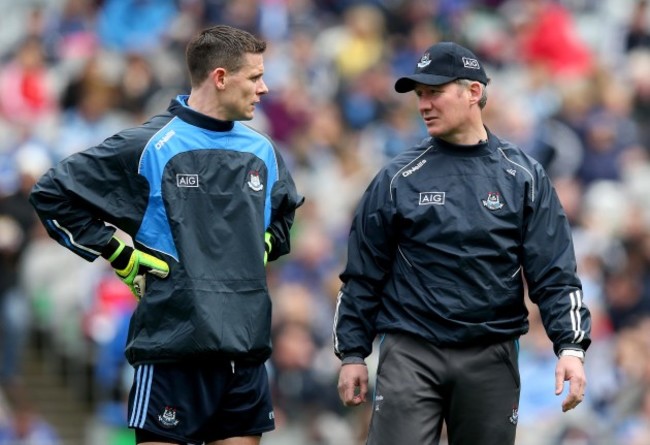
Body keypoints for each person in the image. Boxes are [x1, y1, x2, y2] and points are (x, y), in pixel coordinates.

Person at [29, 25, 303, 445]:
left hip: (245, 352)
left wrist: (261, 246)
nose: (265, 88)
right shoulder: (149, 145)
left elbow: (284, 217)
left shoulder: (263, 151)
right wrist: (120, 254)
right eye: (255, 77)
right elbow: (52, 193)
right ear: (220, 78)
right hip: (174, 350)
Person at [332, 41, 591, 445]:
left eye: (434, 92)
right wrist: (352, 353)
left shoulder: (523, 176)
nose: (424, 105)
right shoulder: (398, 178)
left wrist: (571, 348)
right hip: (410, 350)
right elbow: (362, 274)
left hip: (491, 353)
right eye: (419, 95)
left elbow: (555, 273)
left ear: (473, 92)